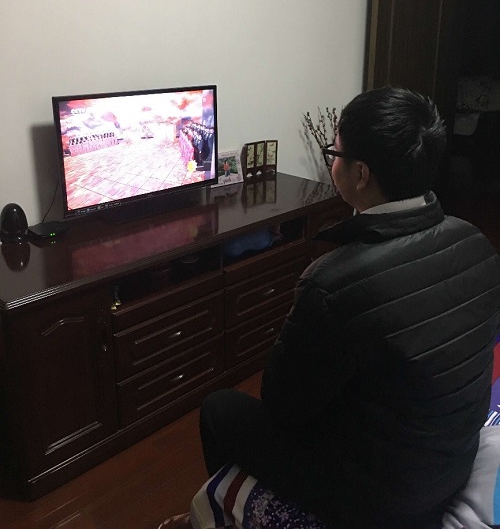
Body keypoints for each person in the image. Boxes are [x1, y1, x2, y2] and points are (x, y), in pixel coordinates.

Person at [162, 87, 500, 529]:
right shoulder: (476, 243)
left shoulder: (335, 282)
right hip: (450, 463)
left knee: (220, 408)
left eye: (334, 152)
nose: (330, 162)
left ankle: (225, 513)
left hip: (382, 497)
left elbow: (283, 407)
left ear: (360, 174)